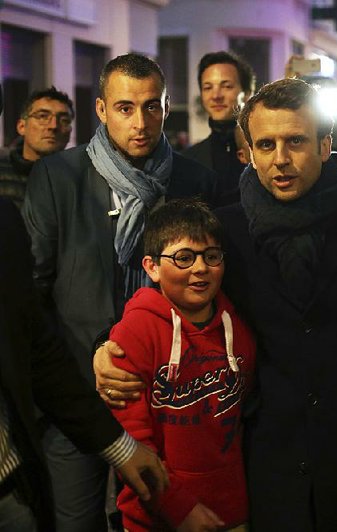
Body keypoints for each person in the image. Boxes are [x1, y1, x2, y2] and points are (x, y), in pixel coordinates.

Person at [96, 78, 337, 531]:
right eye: (266, 144)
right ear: (248, 153)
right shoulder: (227, 230)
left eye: (295, 141)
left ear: (325, 145)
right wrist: (105, 347)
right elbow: (168, 306)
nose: (280, 159)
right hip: (271, 466)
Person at [22, 53, 216, 531]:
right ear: (103, 111)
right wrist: (85, 360)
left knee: (170, 518)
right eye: (125, 108)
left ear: (167, 108)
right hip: (79, 388)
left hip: (171, 388)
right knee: (75, 521)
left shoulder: (194, 180)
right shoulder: (59, 176)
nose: (141, 122)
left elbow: (206, 286)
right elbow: (35, 290)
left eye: (152, 107)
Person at [0, 197, 169, 532]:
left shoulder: (4, 221)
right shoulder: (59, 182)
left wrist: (120, 447)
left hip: (10, 486)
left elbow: (38, 351)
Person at [109, 198, 255, 531]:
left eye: (211, 256)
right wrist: (177, 507)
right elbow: (130, 442)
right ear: (151, 266)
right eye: (184, 258)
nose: (200, 268)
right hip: (154, 517)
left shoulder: (238, 329)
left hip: (229, 513)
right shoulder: (135, 332)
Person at [182, 51, 256, 206]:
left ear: (248, 93)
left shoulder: (265, 151)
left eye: (227, 86)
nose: (216, 95)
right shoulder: (189, 160)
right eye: (208, 87)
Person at [0, 86, 74, 208]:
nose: (53, 126)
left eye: (64, 120)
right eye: (43, 116)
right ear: (22, 127)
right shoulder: (2, 169)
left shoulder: (81, 181)